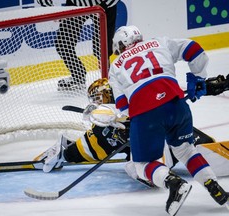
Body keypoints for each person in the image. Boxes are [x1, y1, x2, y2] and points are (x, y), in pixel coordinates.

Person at [87, 25, 229, 215]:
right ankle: (216, 190)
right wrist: (199, 78)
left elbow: (123, 105)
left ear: (121, 45)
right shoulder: (159, 43)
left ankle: (174, 183)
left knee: (141, 165)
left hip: (146, 115)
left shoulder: (116, 65)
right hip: (177, 106)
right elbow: (194, 50)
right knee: (186, 150)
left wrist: (132, 123)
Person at [37, 75, 229, 177]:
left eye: (102, 96)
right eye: (97, 99)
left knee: (206, 149)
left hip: (171, 135)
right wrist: (63, 151)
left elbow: (171, 90)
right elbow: (85, 148)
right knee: (137, 167)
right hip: (161, 152)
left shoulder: (133, 99)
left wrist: (210, 85)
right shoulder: (103, 127)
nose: (100, 101)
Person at [36, 0, 120, 90]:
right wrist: (51, 9)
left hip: (105, 6)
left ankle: (108, 78)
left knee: (102, 48)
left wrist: (104, 5)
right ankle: (78, 77)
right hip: (76, 5)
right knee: (63, 43)